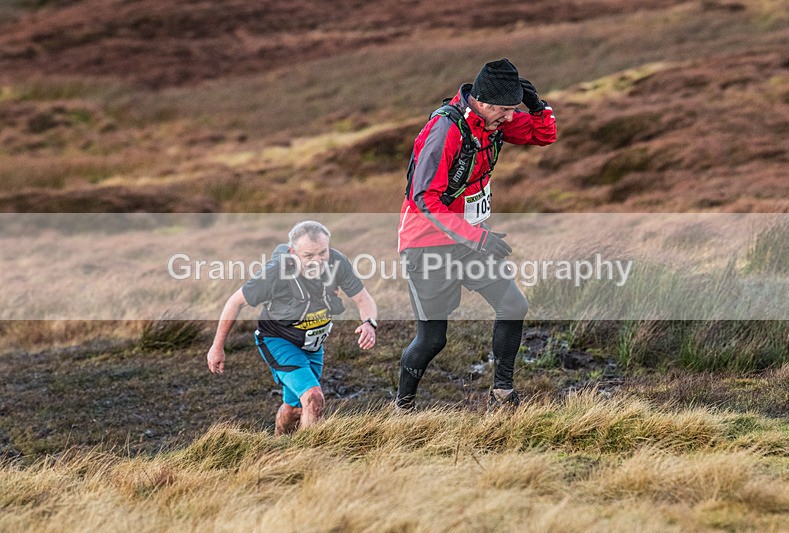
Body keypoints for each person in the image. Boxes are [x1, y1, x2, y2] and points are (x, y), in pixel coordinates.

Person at [396, 58, 557, 412]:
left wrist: (537, 105)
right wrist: (477, 237)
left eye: (513, 109)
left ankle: (502, 397)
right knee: (432, 339)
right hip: (427, 245)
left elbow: (544, 135)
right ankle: (403, 407)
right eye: (505, 109)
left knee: (514, 305)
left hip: (470, 241)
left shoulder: (493, 122)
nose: (511, 118)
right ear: (482, 102)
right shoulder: (446, 131)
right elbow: (425, 198)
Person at [207, 221, 378, 435]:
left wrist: (369, 324)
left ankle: (279, 447)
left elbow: (364, 299)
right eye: (309, 256)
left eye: (322, 253)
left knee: (294, 408)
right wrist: (217, 347)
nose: (318, 261)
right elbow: (235, 302)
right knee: (314, 398)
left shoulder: (337, 262)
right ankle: (308, 459)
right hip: (278, 340)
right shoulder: (275, 273)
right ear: (293, 252)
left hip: (313, 345)